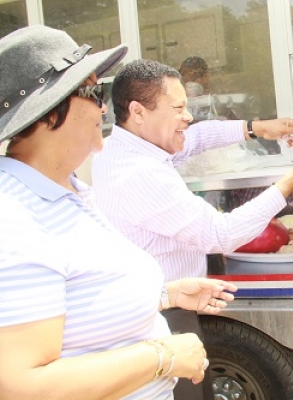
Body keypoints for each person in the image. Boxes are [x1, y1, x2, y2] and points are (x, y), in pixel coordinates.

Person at [0, 25, 238, 399]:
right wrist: (164, 356)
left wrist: (161, 296)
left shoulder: (68, 190)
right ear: (47, 113)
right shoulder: (15, 217)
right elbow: (22, 385)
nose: (103, 106)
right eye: (93, 91)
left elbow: (75, 302)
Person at [91, 58, 293, 400]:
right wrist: (291, 182)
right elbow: (220, 234)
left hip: (163, 307)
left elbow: (194, 137)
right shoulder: (139, 172)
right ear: (138, 111)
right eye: (179, 107)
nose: (188, 116)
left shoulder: (128, 146)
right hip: (163, 320)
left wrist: (257, 127)